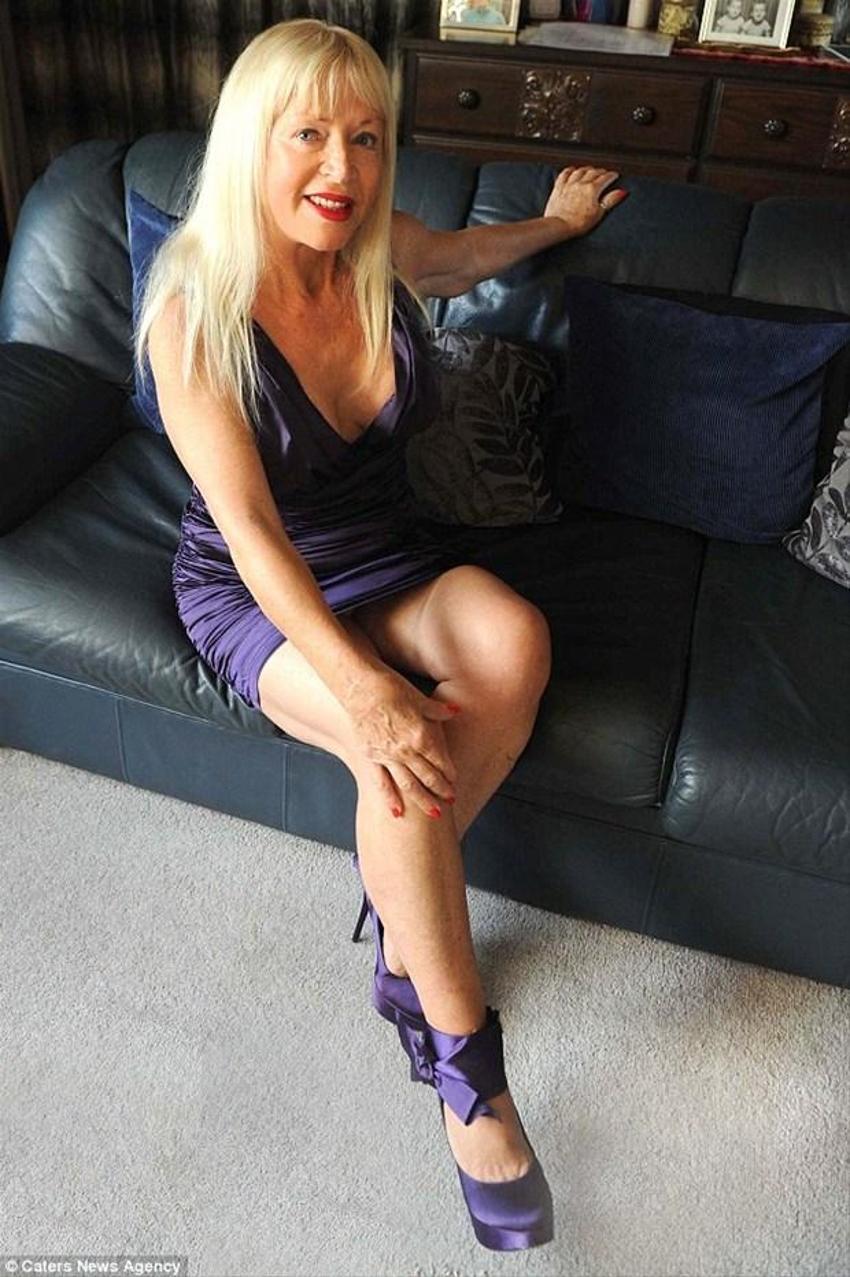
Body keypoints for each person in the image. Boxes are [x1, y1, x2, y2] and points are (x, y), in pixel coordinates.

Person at [138, 16, 628, 1254]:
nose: (340, 167)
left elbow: (462, 255)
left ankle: (404, 934)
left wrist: (555, 225)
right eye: (307, 133)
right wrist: (364, 691)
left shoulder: (373, 248)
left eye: (364, 137)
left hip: (379, 551)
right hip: (255, 586)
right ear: (251, 139)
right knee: (399, 754)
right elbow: (254, 535)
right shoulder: (194, 311)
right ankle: (468, 1080)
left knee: (512, 640)